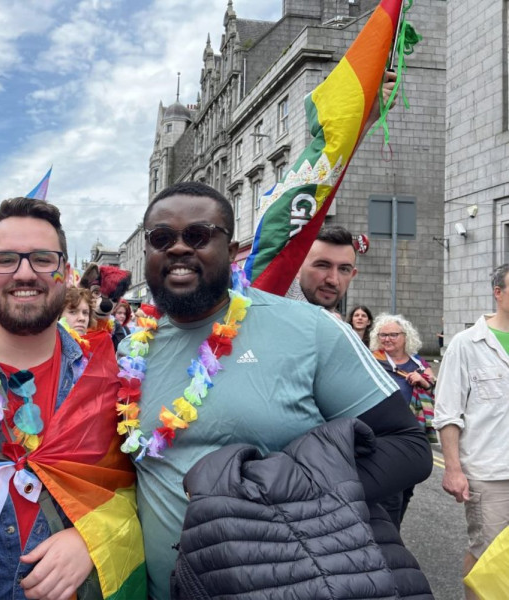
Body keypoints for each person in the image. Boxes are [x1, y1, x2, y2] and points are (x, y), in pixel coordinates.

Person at [121, 182, 432, 598]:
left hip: (286, 585)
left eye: (198, 235)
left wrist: (276, 497)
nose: (178, 248)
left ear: (231, 253)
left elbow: (408, 446)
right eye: (162, 238)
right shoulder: (132, 349)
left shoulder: (311, 329)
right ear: (148, 253)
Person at [0, 197, 144, 599]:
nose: (25, 273)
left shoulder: (111, 378)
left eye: (42, 259)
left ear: (65, 272)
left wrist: (93, 539)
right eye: (6, 260)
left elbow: (140, 492)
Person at [434, 263, 509, 600]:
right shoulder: (467, 343)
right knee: (487, 555)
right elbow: (447, 413)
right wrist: (453, 469)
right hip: (489, 474)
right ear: (498, 293)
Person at [370, 313, 435, 528]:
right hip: (384, 434)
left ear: (405, 337)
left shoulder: (418, 362)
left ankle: (391, 532)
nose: (387, 339)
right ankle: (388, 539)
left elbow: (432, 386)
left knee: (407, 488)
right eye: (383, 335)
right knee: (391, 494)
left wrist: (423, 381)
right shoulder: (372, 359)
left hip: (414, 432)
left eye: (393, 335)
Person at [289, 225, 358, 311]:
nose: (333, 280)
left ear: (352, 274)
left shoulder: (340, 324)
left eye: (344, 269)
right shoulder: (272, 317)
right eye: (322, 265)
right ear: (297, 268)